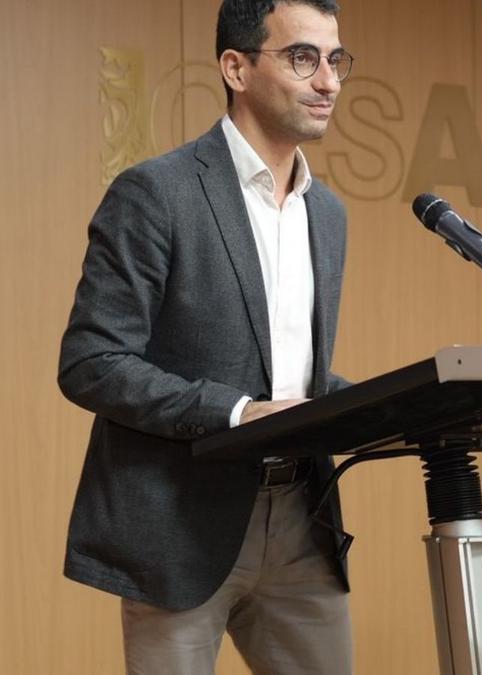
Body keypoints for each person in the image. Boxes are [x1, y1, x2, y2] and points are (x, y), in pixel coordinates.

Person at [57, 1, 357, 672]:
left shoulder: (326, 212)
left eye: (336, 60)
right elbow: (91, 361)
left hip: (303, 524)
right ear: (236, 67)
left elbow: (292, 375)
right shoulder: (155, 194)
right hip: (180, 528)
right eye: (303, 58)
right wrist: (236, 413)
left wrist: (385, 405)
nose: (329, 81)